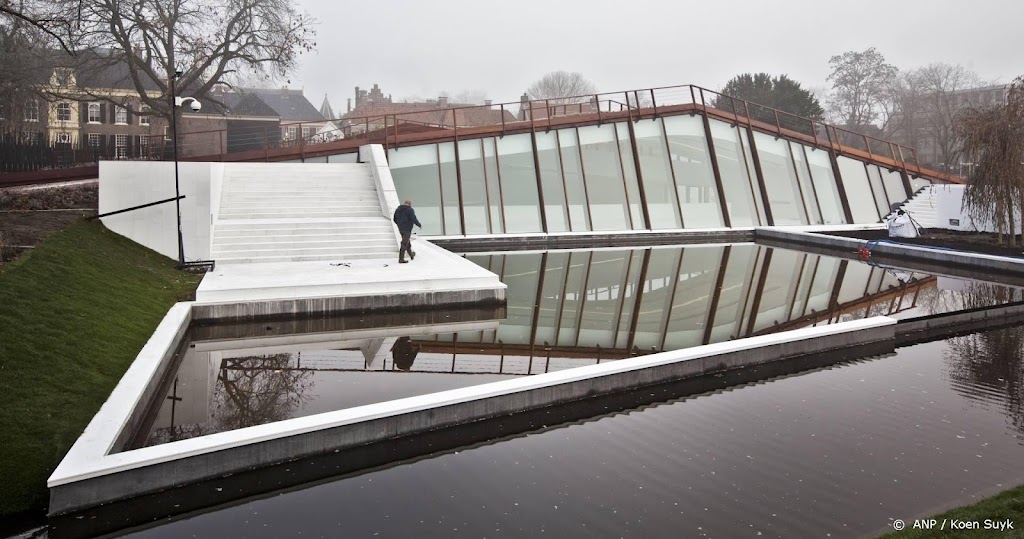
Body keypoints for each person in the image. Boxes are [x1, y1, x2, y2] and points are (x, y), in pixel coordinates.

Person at [392, 199, 422, 263]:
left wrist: (399, 224)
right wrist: (419, 225)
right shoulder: (410, 210)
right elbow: (413, 218)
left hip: (401, 228)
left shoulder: (398, 209)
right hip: (407, 229)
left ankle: (411, 254)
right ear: (410, 204)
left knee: (406, 241)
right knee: (404, 243)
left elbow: (394, 219)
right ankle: (401, 259)